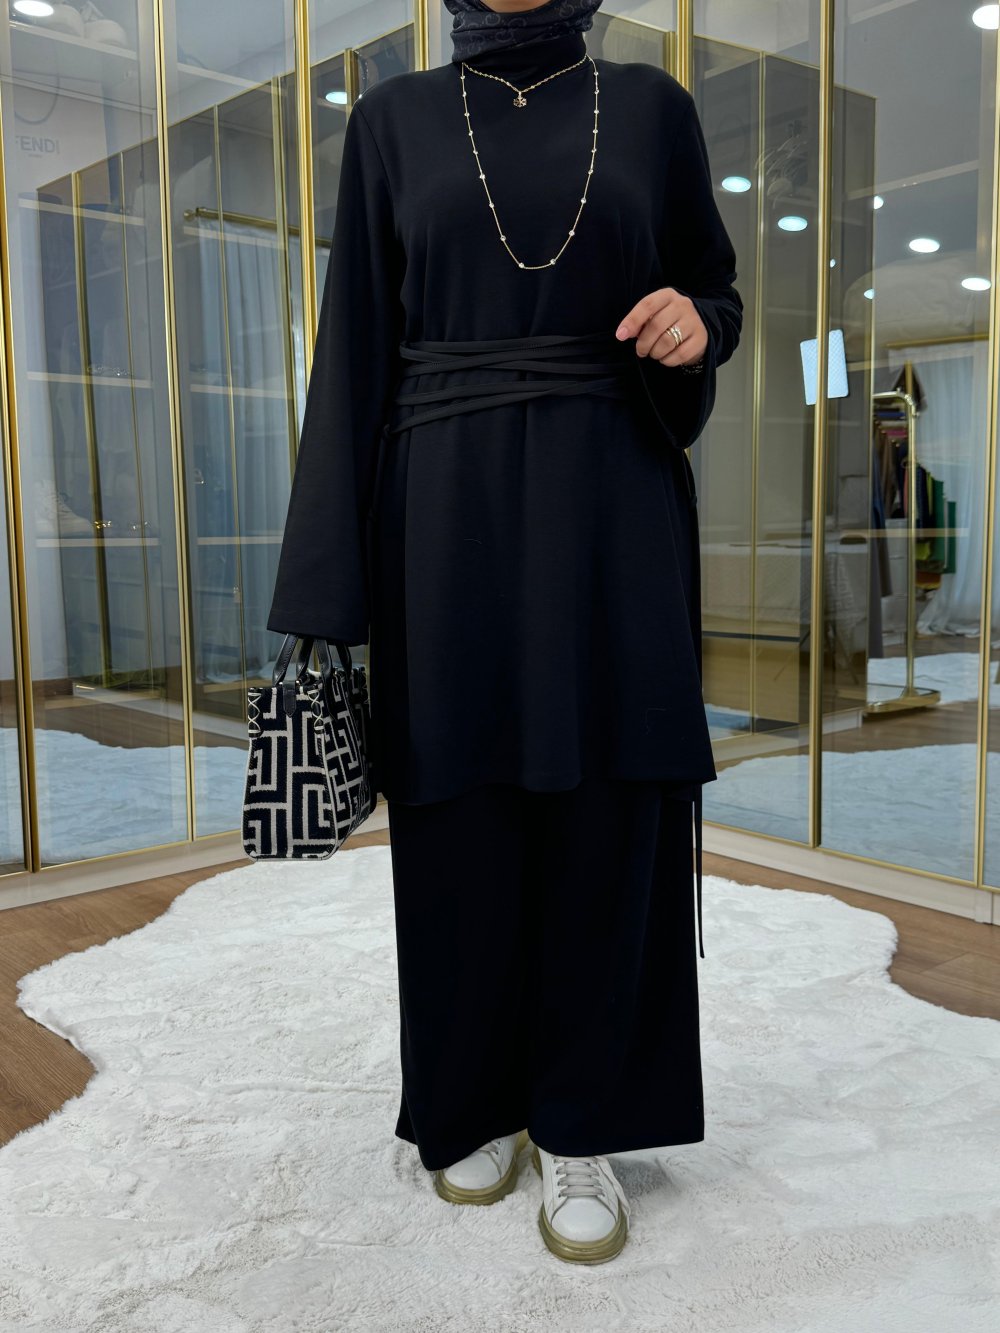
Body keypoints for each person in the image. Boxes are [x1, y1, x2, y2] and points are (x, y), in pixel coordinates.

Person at [266, 0, 743, 1265]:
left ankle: (585, 1121)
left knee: (605, 813)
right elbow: (353, 354)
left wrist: (698, 327)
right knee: (455, 815)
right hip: (443, 513)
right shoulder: (392, 120)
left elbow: (715, 290)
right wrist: (323, 592)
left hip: (610, 501)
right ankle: (471, 1099)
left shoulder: (652, 108)